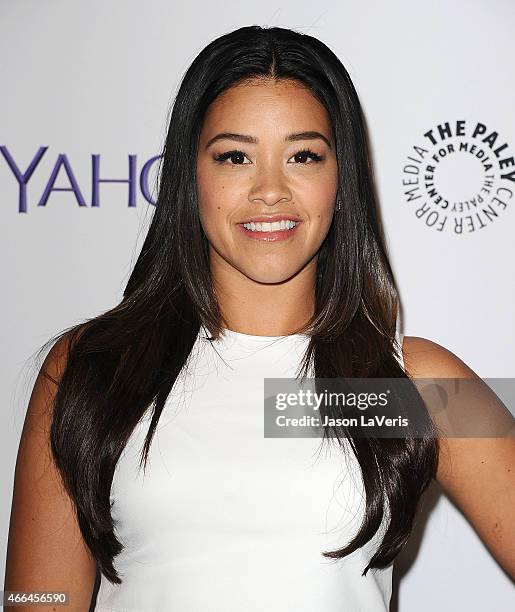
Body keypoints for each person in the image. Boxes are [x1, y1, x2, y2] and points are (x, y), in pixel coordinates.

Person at [4, 25, 514, 612]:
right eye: (235, 156)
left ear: (339, 179)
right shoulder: (93, 366)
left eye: (303, 155)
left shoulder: (408, 382)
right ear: (189, 178)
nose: (269, 190)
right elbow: (34, 600)